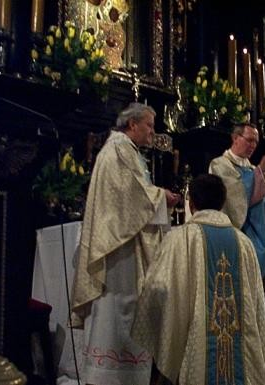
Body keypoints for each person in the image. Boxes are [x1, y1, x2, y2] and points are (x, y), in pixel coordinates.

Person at [70, 103, 181, 385]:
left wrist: (156, 196)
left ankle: (118, 371)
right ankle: (113, 373)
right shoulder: (119, 149)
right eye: (149, 126)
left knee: (125, 306)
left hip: (124, 241)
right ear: (132, 125)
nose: (153, 132)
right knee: (121, 305)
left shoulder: (123, 150)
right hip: (120, 247)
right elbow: (130, 196)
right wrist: (161, 197)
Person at [131, 174, 265, 385]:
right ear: (223, 203)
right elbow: (257, 301)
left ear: (191, 202)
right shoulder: (244, 243)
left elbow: (158, 289)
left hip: (196, 352)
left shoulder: (180, 239)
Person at [209, 123, 265, 305]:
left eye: (256, 142)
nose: (253, 146)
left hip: (260, 242)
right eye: (249, 140)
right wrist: (261, 171)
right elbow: (232, 198)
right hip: (237, 239)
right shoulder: (220, 164)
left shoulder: (252, 170)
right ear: (235, 138)